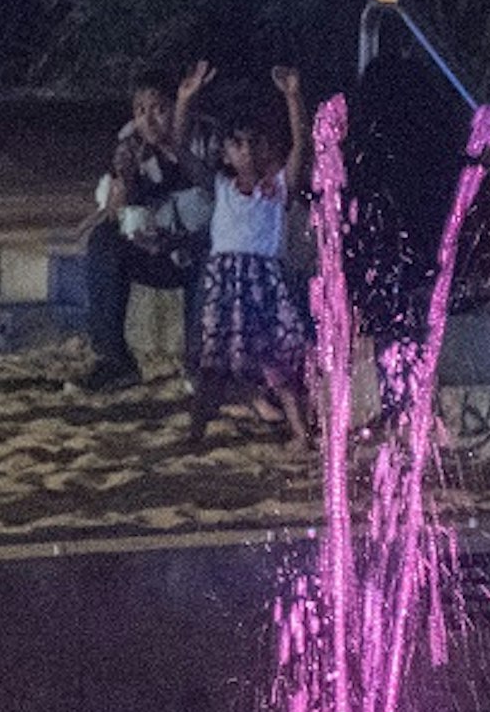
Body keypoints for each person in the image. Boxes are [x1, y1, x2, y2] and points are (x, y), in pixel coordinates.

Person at [184, 67, 316, 447]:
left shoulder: (277, 190)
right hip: (224, 285)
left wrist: (293, 97)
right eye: (238, 144)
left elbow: (301, 145)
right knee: (214, 366)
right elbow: (180, 147)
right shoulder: (221, 188)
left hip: (265, 285)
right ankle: (195, 433)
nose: (247, 151)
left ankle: (300, 433)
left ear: (268, 147)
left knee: (279, 363)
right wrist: (185, 100)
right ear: (224, 151)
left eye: (255, 143)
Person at [76, 60, 213, 392]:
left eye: (159, 109)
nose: (148, 120)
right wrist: (123, 183)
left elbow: (214, 194)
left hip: (198, 248)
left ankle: (198, 364)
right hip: (154, 249)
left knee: (211, 249)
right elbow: (118, 213)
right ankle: (114, 360)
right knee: (104, 241)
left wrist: (178, 147)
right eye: (140, 110)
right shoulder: (132, 143)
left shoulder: (207, 137)